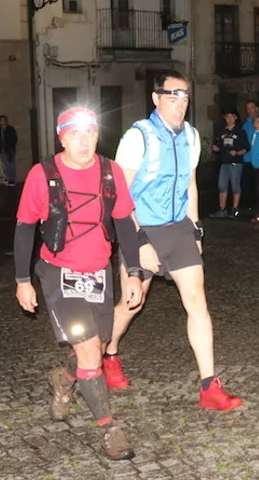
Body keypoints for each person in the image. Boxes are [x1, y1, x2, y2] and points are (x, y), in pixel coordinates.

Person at [104, 70, 243, 411]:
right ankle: (108, 353)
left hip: (178, 228)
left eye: (184, 97)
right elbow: (120, 196)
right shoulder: (138, 137)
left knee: (197, 302)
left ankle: (209, 386)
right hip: (142, 228)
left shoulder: (191, 136)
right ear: (156, 98)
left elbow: (190, 185)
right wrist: (139, 241)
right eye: (172, 97)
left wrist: (196, 230)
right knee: (132, 303)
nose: (180, 104)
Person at [15, 107, 144, 460]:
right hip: (59, 273)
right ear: (62, 138)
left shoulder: (110, 171)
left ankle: (64, 378)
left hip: (98, 273)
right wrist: (23, 280)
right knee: (89, 352)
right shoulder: (43, 175)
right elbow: (25, 228)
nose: (84, 141)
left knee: (96, 349)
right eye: (75, 134)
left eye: (90, 133)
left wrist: (133, 272)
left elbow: (124, 224)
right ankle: (110, 429)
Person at [210, 109, 249, 218]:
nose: (230, 119)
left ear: (235, 117)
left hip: (236, 162)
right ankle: (222, 209)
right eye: (227, 117)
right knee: (222, 185)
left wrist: (237, 153)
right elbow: (217, 144)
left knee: (235, 185)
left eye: (232, 116)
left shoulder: (240, 132)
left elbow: (246, 147)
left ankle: (235, 209)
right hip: (224, 162)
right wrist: (215, 148)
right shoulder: (222, 131)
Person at [246, 115, 259, 224]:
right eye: (255, 121)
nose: (255, 124)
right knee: (257, 190)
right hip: (255, 165)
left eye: (258, 121)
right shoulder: (255, 134)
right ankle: (258, 212)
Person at [0, 115, 18, 186]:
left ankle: (13, 180)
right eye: (1, 121)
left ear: (6, 121)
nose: (2, 122)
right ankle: (8, 179)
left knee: (11, 165)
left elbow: (14, 138)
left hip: (10, 150)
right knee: (6, 166)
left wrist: (11, 147)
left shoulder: (10, 129)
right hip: (3, 151)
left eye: (4, 120)